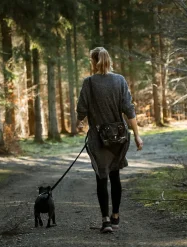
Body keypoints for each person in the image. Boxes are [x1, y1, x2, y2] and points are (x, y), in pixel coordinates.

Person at [76, 47, 143, 233]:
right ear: (108, 60)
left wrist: (79, 123)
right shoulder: (120, 80)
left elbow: (81, 109)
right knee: (115, 176)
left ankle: (105, 220)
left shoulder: (89, 83)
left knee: (101, 177)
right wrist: (137, 134)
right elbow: (129, 109)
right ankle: (115, 216)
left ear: (93, 61)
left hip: (98, 137)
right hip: (120, 137)